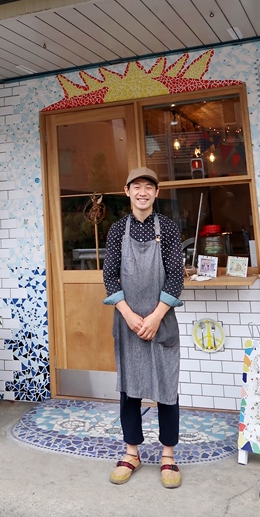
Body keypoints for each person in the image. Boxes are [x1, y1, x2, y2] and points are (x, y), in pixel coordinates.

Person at [103, 166, 184, 488]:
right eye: (136, 186)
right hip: (127, 323)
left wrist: (155, 316)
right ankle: (131, 452)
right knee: (129, 390)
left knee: (167, 389)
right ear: (127, 192)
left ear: (156, 193)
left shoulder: (167, 227)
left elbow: (177, 277)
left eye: (148, 187)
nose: (142, 192)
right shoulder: (116, 230)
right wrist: (128, 313)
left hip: (160, 321)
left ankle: (168, 456)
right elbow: (109, 277)